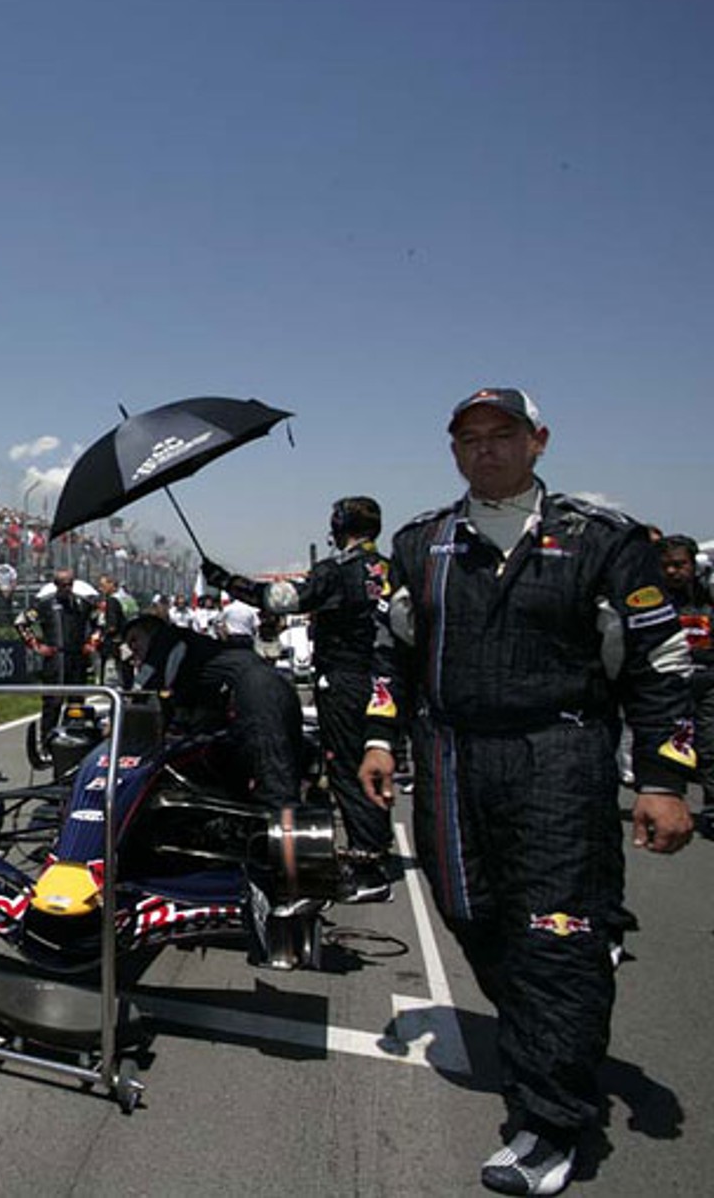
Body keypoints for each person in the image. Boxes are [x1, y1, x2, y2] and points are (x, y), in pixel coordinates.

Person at [358, 388, 696, 1196]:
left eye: (501, 435)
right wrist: (378, 736)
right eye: (468, 439)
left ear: (537, 441)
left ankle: (549, 1121)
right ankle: (567, 993)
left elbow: (663, 668)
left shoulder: (604, 542)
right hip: (447, 758)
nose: (485, 451)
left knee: (551, 939)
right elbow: (387, 655)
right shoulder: (421, 544)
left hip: (560, 755)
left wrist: (664, 779)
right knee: (468, 910)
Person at [203, 496, 395, 903]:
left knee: (345, 766)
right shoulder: (391, 569)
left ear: (339, 526)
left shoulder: (337, 570)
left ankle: (368, 865)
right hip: (385, 681)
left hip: (345, 679)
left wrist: (226, 581)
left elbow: (280, 599)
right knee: (374, 761)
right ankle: (374, 848)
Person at [122, 614, 307, 808]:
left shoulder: (165, 640)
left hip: (255, 695)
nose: (132, 648)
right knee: (273, 777)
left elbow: (145, 691)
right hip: (274, 687)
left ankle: (280, 827)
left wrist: (119, 724)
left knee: (274, 786)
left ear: (151, 630)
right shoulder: (196, 649)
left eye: (134, 639)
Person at [659, 535, 714, 837]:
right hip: (668, 685)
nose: (672, 572)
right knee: (667, 747)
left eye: (679, 565)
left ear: (693, 565)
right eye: (666, 566)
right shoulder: (652, 600)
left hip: (707, 682)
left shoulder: (709, 597)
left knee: (710, 745)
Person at [16, 567, 95, 757]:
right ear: (56, 585)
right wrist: (36, 645)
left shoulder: (81, 603)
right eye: (63, 584)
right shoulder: (45, 604)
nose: (67, 588)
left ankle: (77, 741)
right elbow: (20, 622)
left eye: (70, 584)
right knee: (52, 703)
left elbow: (100, 620)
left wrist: (92, 643)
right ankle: (47, 745)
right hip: (55, 659)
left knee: (77, 701)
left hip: (76, 658)